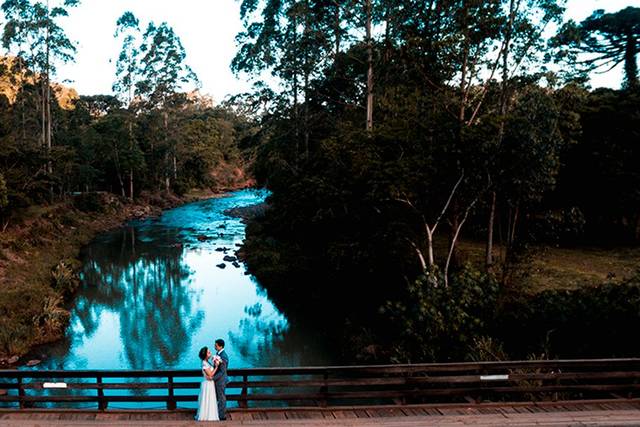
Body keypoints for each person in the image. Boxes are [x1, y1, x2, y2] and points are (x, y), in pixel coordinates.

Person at [196, 346, 219, 421]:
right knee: (208, 399)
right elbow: (210, 374)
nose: (210, 353)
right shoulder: (204, 363)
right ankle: (207, 416)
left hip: (210, 383)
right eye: (209, 352)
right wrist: (216, 367)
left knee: (210, 399)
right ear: (205, 355)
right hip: (207, 384)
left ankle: (211, 414)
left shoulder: (207, 362)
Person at [212, 339, 229, 420]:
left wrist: (213, 378)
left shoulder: (223, 356)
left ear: (220, 346)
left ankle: (222, 416)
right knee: (219, 397)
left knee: (221, 398)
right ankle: (217, 414)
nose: (214, 346)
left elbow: (222, 371)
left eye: (216, 345)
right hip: (219, 380)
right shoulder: (218, 354)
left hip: (221, 380)